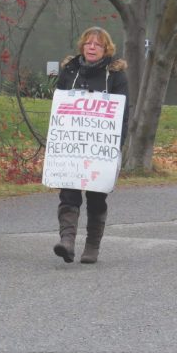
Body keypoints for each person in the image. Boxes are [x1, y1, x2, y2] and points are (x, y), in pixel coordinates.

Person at [52, 27, 128, 264]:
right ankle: (67, 242)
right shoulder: (69, 71)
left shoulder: (116, 75)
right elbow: (59, 107)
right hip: (72, 147)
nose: (92, 47)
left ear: (106, 49)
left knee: (96, 197)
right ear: (82, 47)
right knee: (69, 194)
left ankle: (92, 246)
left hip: (101, 147)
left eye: (98, 44)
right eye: (88, 43)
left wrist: (116, 145)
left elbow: (123, 113)